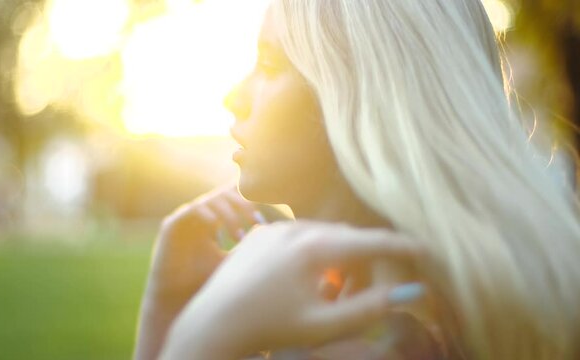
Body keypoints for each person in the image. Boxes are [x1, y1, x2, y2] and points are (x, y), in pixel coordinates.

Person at [134, 0, 580, 359]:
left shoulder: (378, 343)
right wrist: (167, 316)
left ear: (363, 96)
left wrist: (205, 335)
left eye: (270, 66)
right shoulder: (349, 309)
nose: (234, 96)